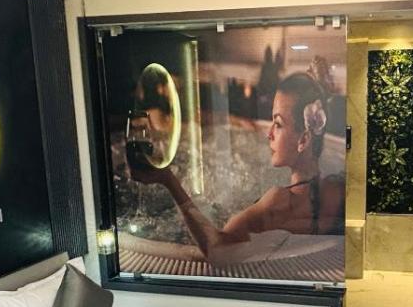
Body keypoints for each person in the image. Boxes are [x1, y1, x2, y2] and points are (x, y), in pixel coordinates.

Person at [127, 64, 344, 262]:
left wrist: (169, 180)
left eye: (278, 124)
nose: (268, 133)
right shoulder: (337, 189)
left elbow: (216, 249)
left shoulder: (280, 201)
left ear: (303, 140)